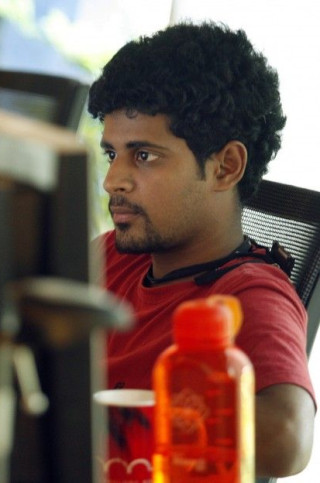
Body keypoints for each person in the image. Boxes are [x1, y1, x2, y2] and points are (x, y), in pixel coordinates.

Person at [87, 22, 315, 478]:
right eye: (112, 154)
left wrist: (124, 420)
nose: (114, 181)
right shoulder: (111, 256)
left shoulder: (249, 297)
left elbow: (289, 437)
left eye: (144, 155)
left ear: (225, 167)